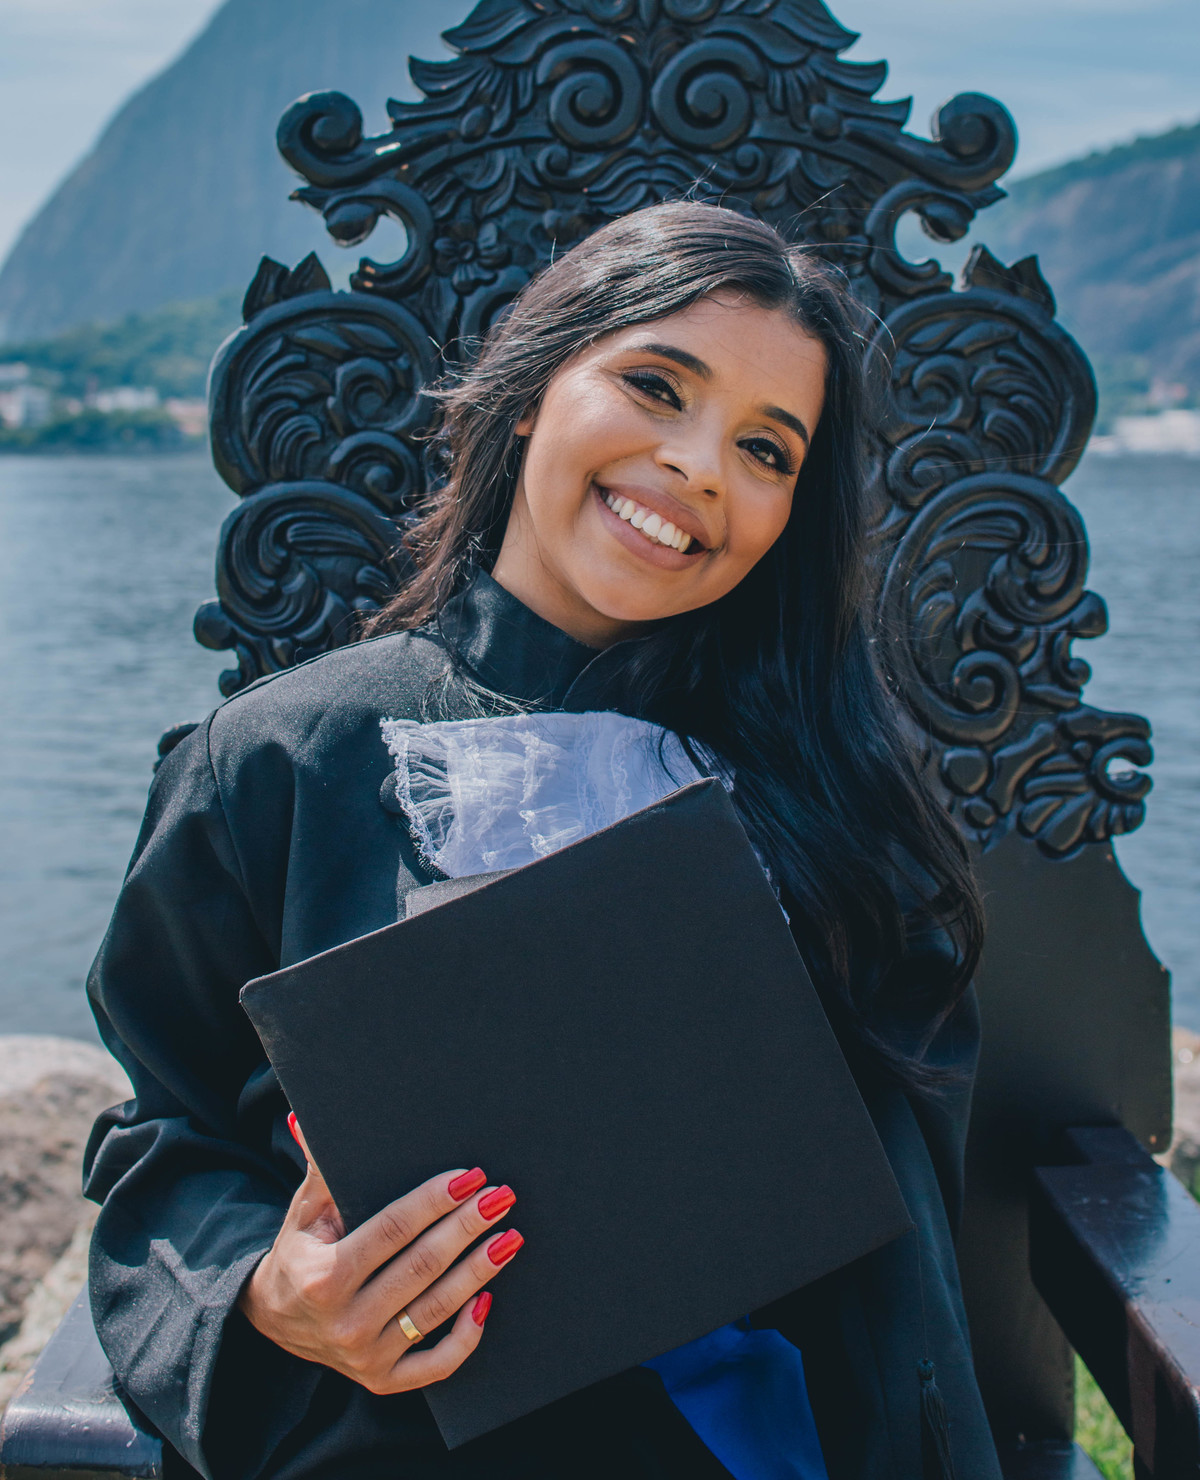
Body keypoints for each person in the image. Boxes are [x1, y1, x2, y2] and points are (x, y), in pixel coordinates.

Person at [85, 202, 1001, 1480]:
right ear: (531, 386)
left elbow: (902, 1259)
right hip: (390, 1440)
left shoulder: (842, 810)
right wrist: (269, 1288)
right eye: (655, 385)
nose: (697, 465)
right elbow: (164, 1138)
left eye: (766, 449)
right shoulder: (276, 761)